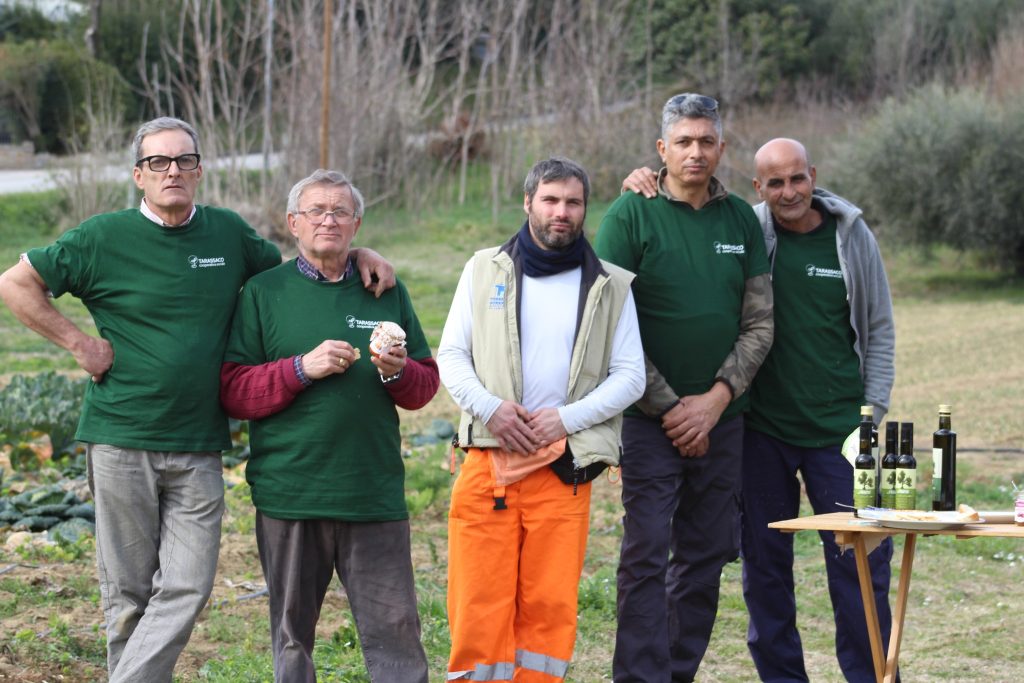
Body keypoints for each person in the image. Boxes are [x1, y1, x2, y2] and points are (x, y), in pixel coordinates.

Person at [0, 117, 394, 682]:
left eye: (184, 160)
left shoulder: (228, 234)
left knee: (188, 585)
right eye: (158, 162)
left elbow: (294, 276)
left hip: (199, 444)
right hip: (120, 438)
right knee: (129, 597)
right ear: (139, 175)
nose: (172, 172)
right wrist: (80, 344)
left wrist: (355, 252)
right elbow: (15, 283)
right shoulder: (99, 238)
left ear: (200, 171)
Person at [621, 137, 897, 682]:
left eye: (797, 178)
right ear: (758, 188)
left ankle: (873, 676)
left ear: (813, 175)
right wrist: (641, 182)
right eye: (775, 183)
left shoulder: (850, 236)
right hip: (761, 432)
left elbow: (879, 328)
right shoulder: (748, 230)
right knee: (766, 571)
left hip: (841, 434)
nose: (789, 191)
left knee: (862, 565)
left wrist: (873, 410)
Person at [219, 169, 436, 683]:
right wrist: (300, 369)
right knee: (293, 637)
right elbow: (233, 390)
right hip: (291, 493)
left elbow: (425, 386)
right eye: (315, 211)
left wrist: (396, 372)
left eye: (340, 211)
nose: (328, 220)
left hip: (372, 492)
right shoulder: (263, 292)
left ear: (356, 223)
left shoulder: (383, 289)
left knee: (397, 633)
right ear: (293, 223)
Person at [437, 157, 645, 682]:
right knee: (478, 606)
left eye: (573, 202)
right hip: (489, 462)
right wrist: (492, 409)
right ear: (527, 203)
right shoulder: (483, 268)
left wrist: (563, 421)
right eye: (550, 200)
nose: (561, 212)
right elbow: (452, 356)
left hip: (564, 468)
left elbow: (630, 377)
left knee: (549, 610)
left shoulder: (612, 285)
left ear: (584, 210)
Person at [594, 93, 774, 683]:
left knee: (703, 557)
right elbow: (609, 324)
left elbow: (759, 322)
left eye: (706, 141)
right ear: (661, 148)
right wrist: (674, 410)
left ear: (722, 147)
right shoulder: (630, 214)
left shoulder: (741, 220)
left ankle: (677, 673)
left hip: (725, 420)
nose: (695, 152)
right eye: (684, 141)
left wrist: (715, 401)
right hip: (649, 422)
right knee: (645, 557)